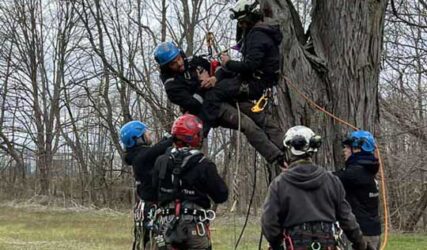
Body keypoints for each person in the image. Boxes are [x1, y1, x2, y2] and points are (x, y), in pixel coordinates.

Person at [153, 42, 285, 167]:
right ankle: (277, 157)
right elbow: (194, 105)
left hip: (227, 95)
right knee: (248, 125)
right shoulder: (172, 86)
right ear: (166, 67)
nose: (180, 63)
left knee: (261, 117)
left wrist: (214, 78)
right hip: (212, 108)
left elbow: (220, 68)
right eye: (173, 64)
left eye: (179, 58)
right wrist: (202, 86)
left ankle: (287, 146)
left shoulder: (194, 61)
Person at [261, 125, 371, 250]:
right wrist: (361, 245)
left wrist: (277, 245)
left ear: (289, 149)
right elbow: (348, 220)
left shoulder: (279, 184)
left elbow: (268, 222)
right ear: (312, 150)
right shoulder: (331, 181)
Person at [152, 114, 228, 250]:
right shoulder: (204, 164)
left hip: (165, 228)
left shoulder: (160, 162)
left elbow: (152, 193)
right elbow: (221, 195)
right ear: (195, 137)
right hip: (194, 228)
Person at [120, 120, 173, 250]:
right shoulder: (141, 157)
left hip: (145, 209)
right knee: (159, 242)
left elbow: (155, 150)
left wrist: (165, 140)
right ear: (137, 138)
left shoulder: (137, 156)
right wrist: (175, 137)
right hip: (152, 210)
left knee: (144, 241)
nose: (149, 134)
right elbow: (158, 149)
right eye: (146, 133)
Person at [334, 131, 381, 250]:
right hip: (372, 232)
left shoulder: (355, 173)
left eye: (347, 147)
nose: (344, 151)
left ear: (357, 149)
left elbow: (325, 179)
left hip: (361, 235)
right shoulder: (368, 169)